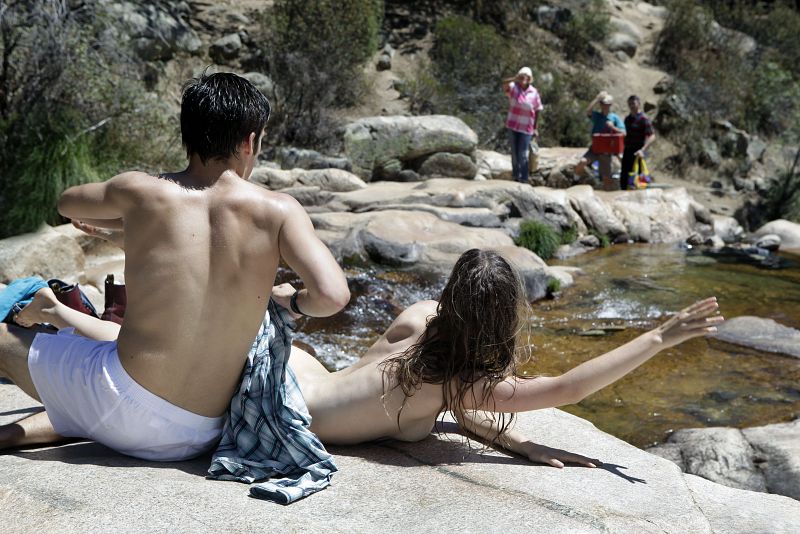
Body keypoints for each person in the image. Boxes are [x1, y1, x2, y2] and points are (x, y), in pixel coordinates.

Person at [11, 249, 723, 468]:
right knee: (143, 375)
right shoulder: (463, 380)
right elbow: (564, 387)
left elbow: (439, 407)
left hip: (294, 369)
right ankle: (65, 316)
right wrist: (661, 337)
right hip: (280, 404)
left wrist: (516, 443)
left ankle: (68, 319)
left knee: (145, 368)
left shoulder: (421, 324)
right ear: (498, 322)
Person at [0, 72, 350, 460]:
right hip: (202, 430)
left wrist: (130, 216)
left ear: (188, 134)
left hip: (120, 404)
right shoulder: (280, 209)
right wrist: (294, 301)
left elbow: (67, 203)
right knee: (104, 345)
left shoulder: (142, 192)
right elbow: (331, 296)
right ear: (250, 141)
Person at [574, 91, 626, 191]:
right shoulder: (597, 116)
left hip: (606, 151)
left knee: (606, 178)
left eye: (606, 105)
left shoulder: (614, 118)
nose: (604, 106)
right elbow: (588, 111)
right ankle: (575, 181)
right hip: (595, 148)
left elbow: (624, 133)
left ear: (610, 105)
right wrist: (597, 99)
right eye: (602, 104)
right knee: (582, 161)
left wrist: (613, 127)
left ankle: (607, 193)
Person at [502, 67, 544, 184]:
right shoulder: (513, 88)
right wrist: (514, 78)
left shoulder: (534, 92)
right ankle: (515, 176)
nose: (523, 78)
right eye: (521, 76)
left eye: (526, 76)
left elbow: (538, 110)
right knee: (514, 153)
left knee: (523, 154)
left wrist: (536, 128)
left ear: (530, 79)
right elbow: (504, 84)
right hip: (513, 124)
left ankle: (524, 178)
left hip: (526, 127)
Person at [621, 95, 656, 191]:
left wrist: (643, 149)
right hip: (627, 150)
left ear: (639, 104)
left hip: (639, 151)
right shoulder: (627, 119)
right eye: (630, 104)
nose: (631, 106)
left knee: (639, 177)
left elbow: (652, 136)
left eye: (633, 103)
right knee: (625, 176)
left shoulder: (644, 119)